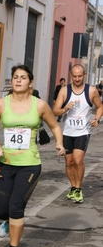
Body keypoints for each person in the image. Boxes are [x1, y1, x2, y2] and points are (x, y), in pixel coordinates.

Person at [0, 64, 65, 247]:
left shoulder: (39, 105)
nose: (18, 80)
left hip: (30, 164)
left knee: (16, 207)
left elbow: (55, 125)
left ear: (30, 82)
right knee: (2, 210)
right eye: (15, 77)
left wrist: (59, 142)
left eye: (22, 77)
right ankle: (7, 220)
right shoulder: (1, 104)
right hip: (6, 162)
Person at [53, 64, 102, 204]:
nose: (77, 79)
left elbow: (100, 107)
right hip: (68, 132)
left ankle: (79, 188)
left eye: (80, 76)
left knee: (78, 160)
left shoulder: (91, 91)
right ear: (71, 75)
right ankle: (73, 187)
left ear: (84, 75)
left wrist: (96, 119)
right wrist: (64, 109)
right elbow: (55, 110)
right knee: (69, 162)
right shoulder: (64, 90)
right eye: (74, 76)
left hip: (83, 131)